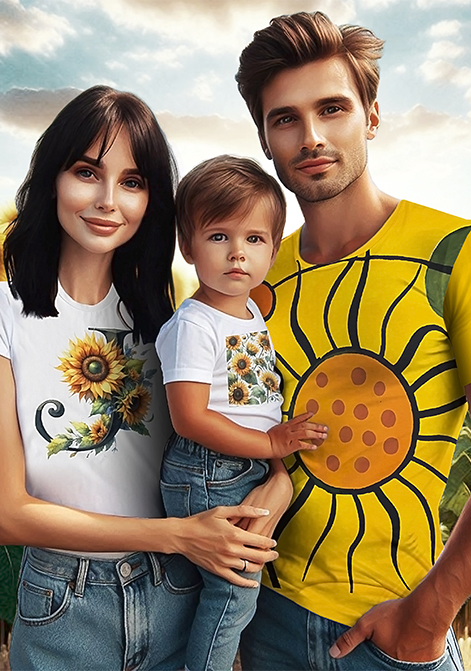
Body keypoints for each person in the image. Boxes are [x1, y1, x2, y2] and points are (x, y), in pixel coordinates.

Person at [234, 12, 471, 671]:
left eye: (332, 108)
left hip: (388, 633)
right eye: (285, 118)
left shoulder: (462, 254)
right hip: (264, 624)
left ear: (371, 117)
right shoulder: (256, 285)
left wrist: (429, 614)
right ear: (266, 139)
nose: (312, 136)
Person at [0, 86, 283, 671]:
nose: (108, 200)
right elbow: (5, 514)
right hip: (66, 605)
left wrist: (275, 488)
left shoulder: (172, 320)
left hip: (179, 593)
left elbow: (245, 418)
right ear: (52, 177)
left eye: (132, 182)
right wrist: (179, 535)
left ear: (152, 200)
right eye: (86, 172)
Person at [156, 155, 328, 671]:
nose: (237, 254)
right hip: (207, 469)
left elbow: (252, 403)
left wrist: (273, 465)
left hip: (240, 464)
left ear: (275, 250)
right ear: (188, 247)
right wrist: (274, 447)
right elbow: (190, 417)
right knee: (234, 592)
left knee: (213, 588)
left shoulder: (251, 311)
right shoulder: (196, 325)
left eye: (254, 240)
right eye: (218, 237)